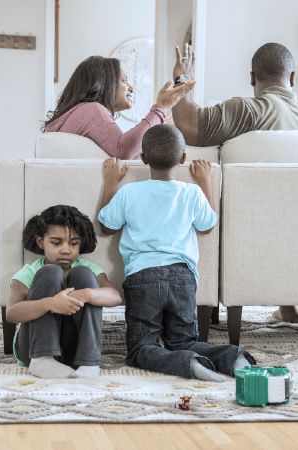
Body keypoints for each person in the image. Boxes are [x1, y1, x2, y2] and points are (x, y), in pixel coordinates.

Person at [171, 42, 298, 323]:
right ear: (293, 78)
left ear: (252, 78)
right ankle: (288, 305)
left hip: (248, 225)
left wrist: (182, 78)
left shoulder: (249, 110)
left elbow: (188, 128)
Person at [98, 124, 253, 380]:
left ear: (143, 158)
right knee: (184, 340)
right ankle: (232, 357)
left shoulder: (129, 192)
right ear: (182, 159)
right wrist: (206, 181)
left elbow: (105, 226)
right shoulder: (191, 192)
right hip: (183, 278)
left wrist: (110, 182)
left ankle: (188, 364)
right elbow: (208, 225)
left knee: (140, 349)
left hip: (143, 278)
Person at [6, 205, 123, 379]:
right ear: (41, 242)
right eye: (56, 243)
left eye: (73, 243)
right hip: (33, 348)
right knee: (50, 272)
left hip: (74, 350)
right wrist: (50, 304)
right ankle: (43, 360)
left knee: (84, 275)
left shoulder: (89, 269)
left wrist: (87, 294)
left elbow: (115, 297)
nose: (66, 250)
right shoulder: (29, 272)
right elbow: (11, 314)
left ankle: (89, 362)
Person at [44, 55, 195, 160]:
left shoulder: (80, 112)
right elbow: (124, 151)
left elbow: (130, 154)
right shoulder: (91, 110)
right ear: (105, 84)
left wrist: (159, 119)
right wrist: (160, 108)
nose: (131, 88)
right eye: (124, 81)